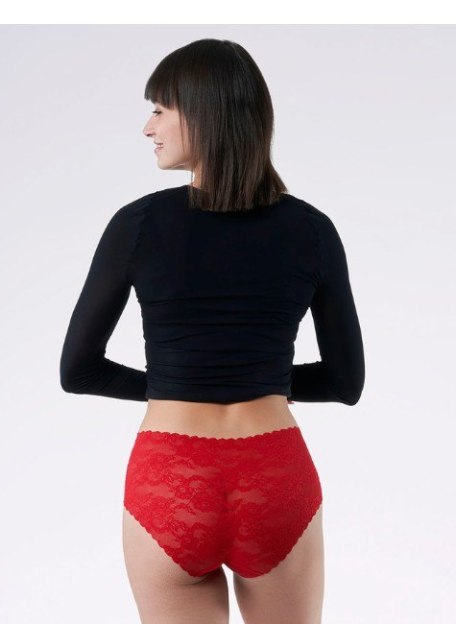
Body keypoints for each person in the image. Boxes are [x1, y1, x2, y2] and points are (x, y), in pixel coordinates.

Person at [59, 38, 365, 624]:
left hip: (170, 472)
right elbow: (345, 382)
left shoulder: (137, 225)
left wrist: (179, 382)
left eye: (159, 109)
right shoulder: (312, 230)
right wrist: (258, 378)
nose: (148, 127)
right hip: (275, 475)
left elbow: (78, 371)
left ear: (203, 112)